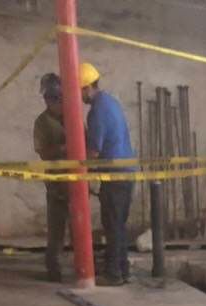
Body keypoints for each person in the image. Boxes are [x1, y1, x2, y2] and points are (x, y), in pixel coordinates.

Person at [80, 62, 136, 286]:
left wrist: (81, 169)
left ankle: (113, 274)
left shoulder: (97, 112)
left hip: (115, 174)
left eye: (78, 91)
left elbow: (93, 151)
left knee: (112, 224)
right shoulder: (110, 101)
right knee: (119, 224)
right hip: (126, 172)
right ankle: (122, 269)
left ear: (85, 88)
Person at [33, 72, 69, 283]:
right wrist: (64, 148)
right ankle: (53, 270)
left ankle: (84, 268)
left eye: (56, 97)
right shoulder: (42, 122)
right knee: (56, 230)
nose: (52, 102)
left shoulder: (72, 116)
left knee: (80, 227)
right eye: (50, 98)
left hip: (76, 181)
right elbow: (43, 153)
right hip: (56, 183)